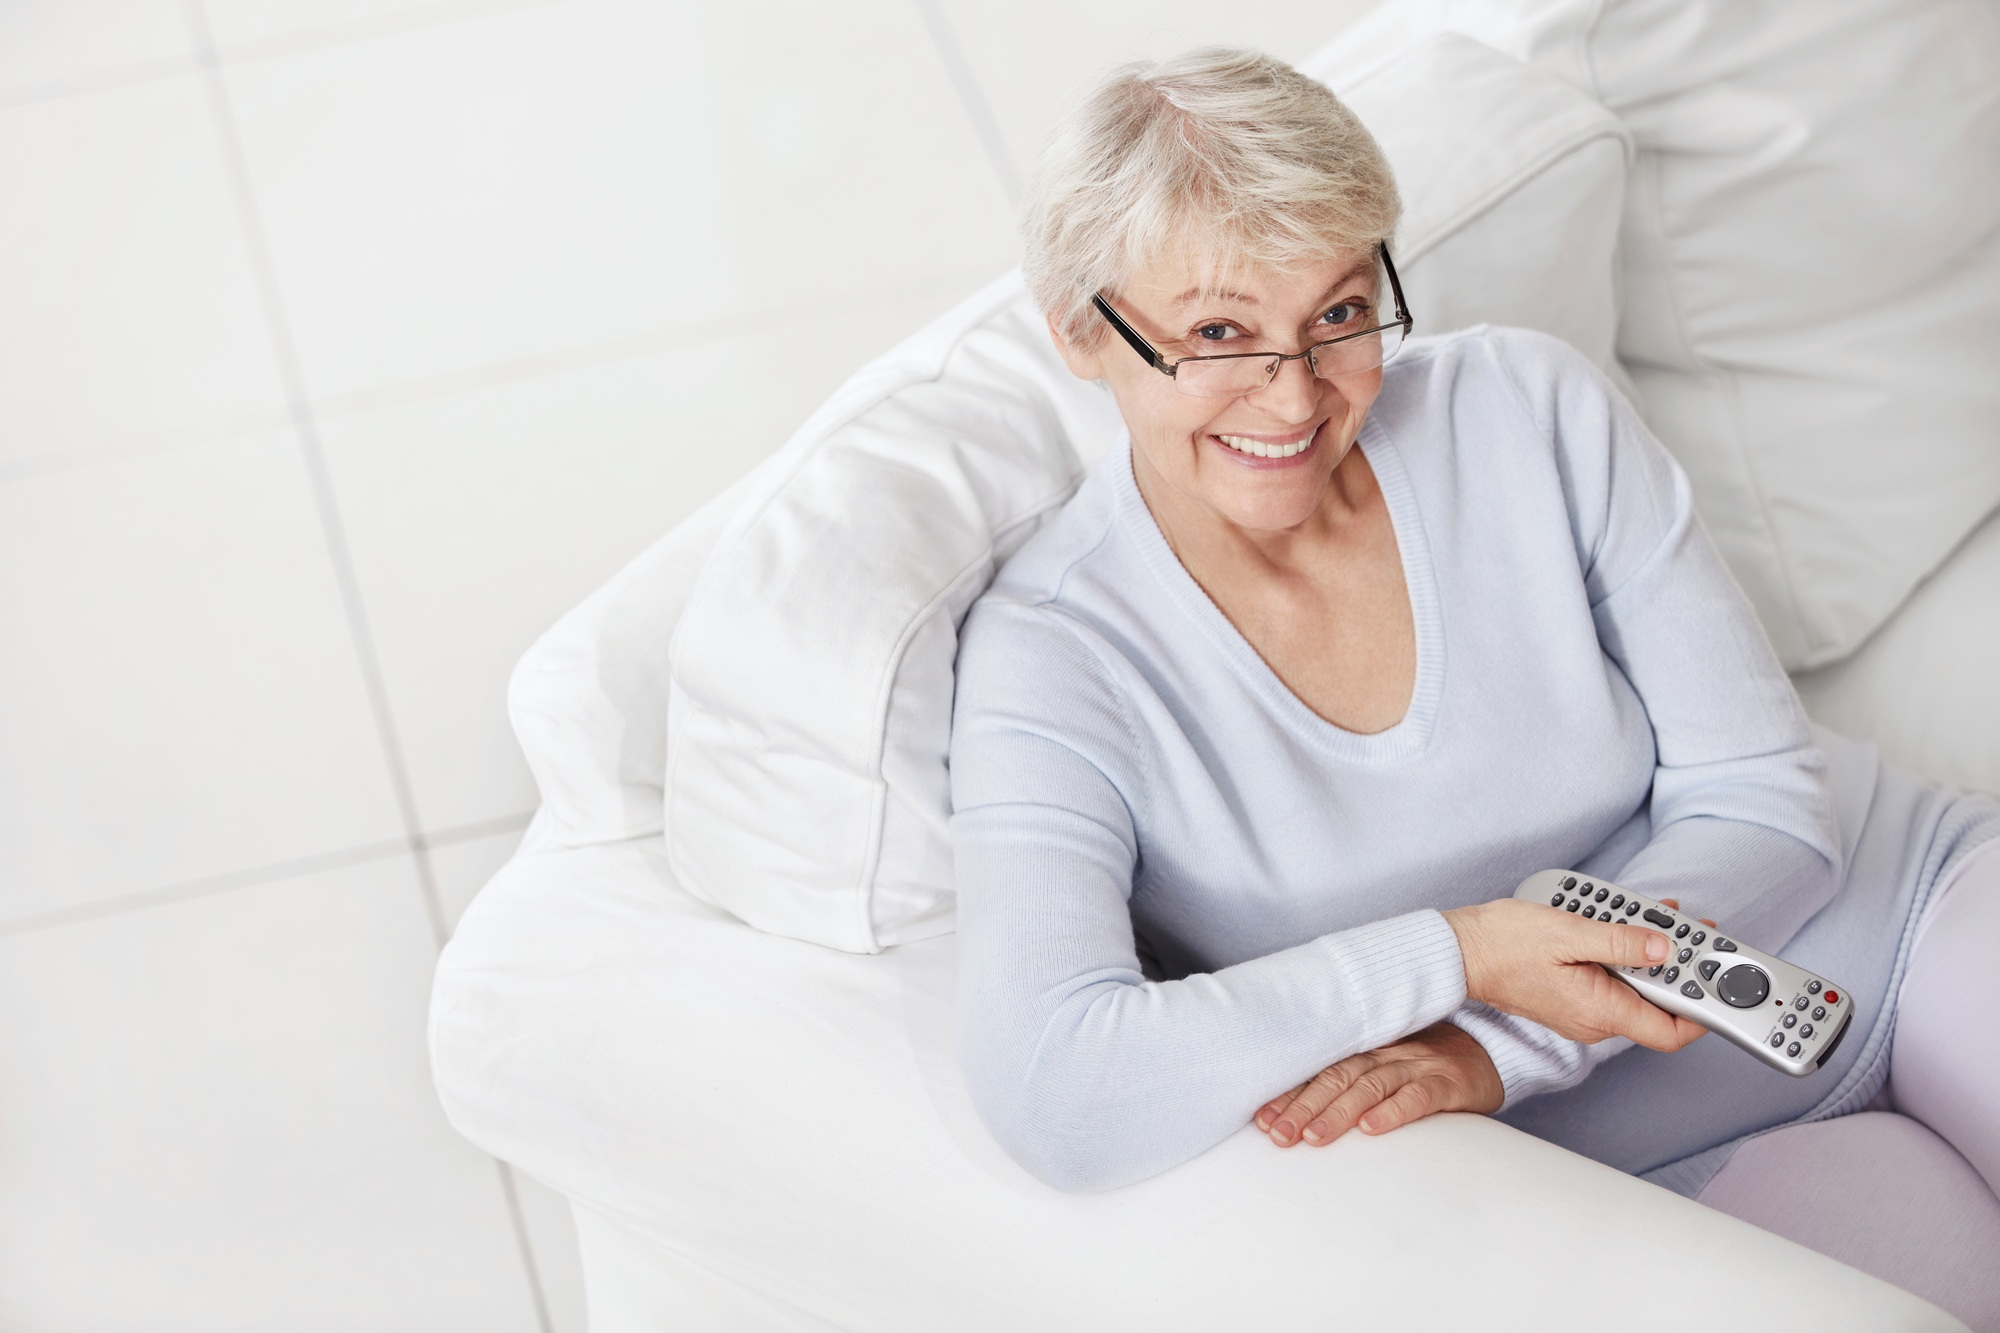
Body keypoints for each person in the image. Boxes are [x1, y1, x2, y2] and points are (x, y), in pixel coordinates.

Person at [947, 47, 2000, 1197]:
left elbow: (1764, 800)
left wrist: (1497, 1040)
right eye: (1216, 335)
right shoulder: (1053, 657)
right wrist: (1460, 949)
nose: (1294, 395)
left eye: (1339, 312)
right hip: (1634, 1173)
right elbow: (1053, 1084)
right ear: (1079, 330)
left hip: (1903, 920)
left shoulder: (1522, 407)